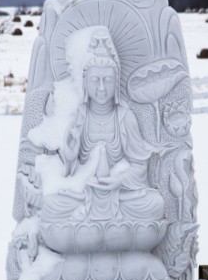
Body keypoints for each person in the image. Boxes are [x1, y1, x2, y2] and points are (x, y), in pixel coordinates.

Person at [41, 30, 164, 223]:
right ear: (85, 83)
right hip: (83, 196)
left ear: (116, 82)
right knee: (51, 205)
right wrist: (71, 155)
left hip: (120, 196)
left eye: (107, 80)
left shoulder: (125, 117)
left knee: (154, 204)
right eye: (94, 80)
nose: (101, 88)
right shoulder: (79, 117)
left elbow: (140, 167)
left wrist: (118, 181)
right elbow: (69, 172)